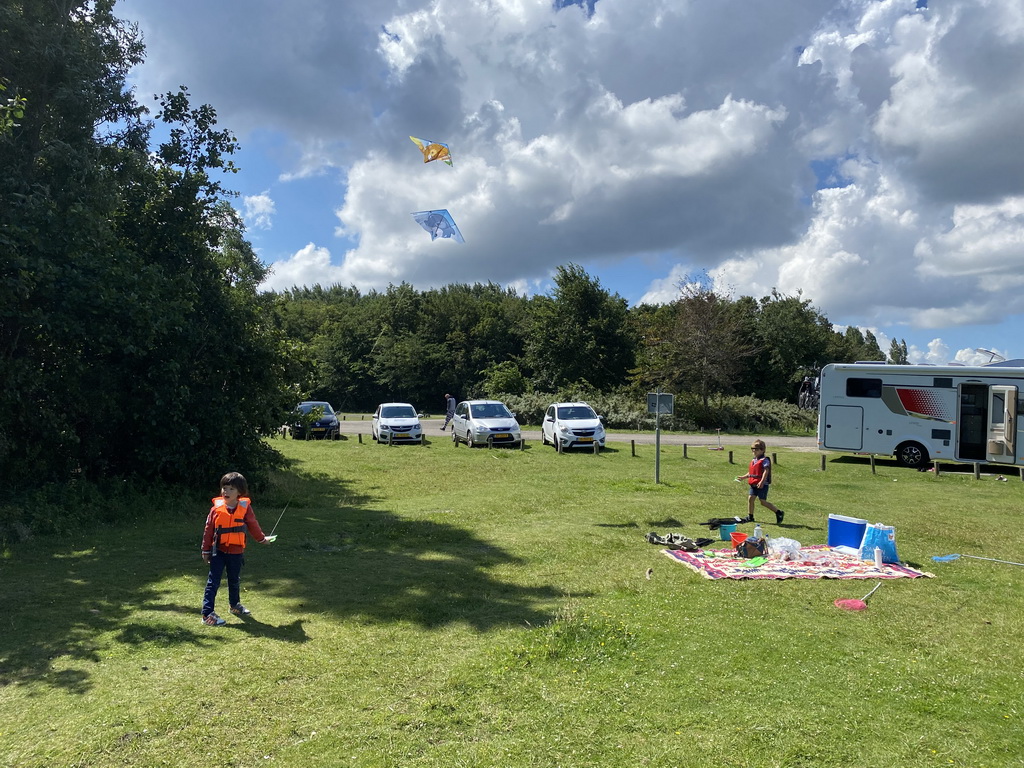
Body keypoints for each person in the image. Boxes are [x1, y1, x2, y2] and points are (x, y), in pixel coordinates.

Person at [200, 472, 271, 626]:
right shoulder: (215, 510)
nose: (226, 492)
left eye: (231, 489)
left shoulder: (245, 509)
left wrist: (262, 539)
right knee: (213, 582)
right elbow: (208, 531)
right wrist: (205, 551)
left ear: (240, 492)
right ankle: (207, 614)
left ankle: (234, 606)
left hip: (236, 552)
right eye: (224, 488)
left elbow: (253, 525)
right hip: (217, 552)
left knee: (234, 580)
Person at [736, 439, 784, 524]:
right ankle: (750, 516)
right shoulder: (754, 460)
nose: (754, 451)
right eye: (753, 449)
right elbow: (752, 472)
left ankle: (779, 512)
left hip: (762, 485)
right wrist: (744, 477)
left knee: (763, 502)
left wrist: (762, 481)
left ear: (763, 450)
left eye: (757, 449)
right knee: (750, 499)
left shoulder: (765, 460)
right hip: (753, 484)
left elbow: (766, 471)